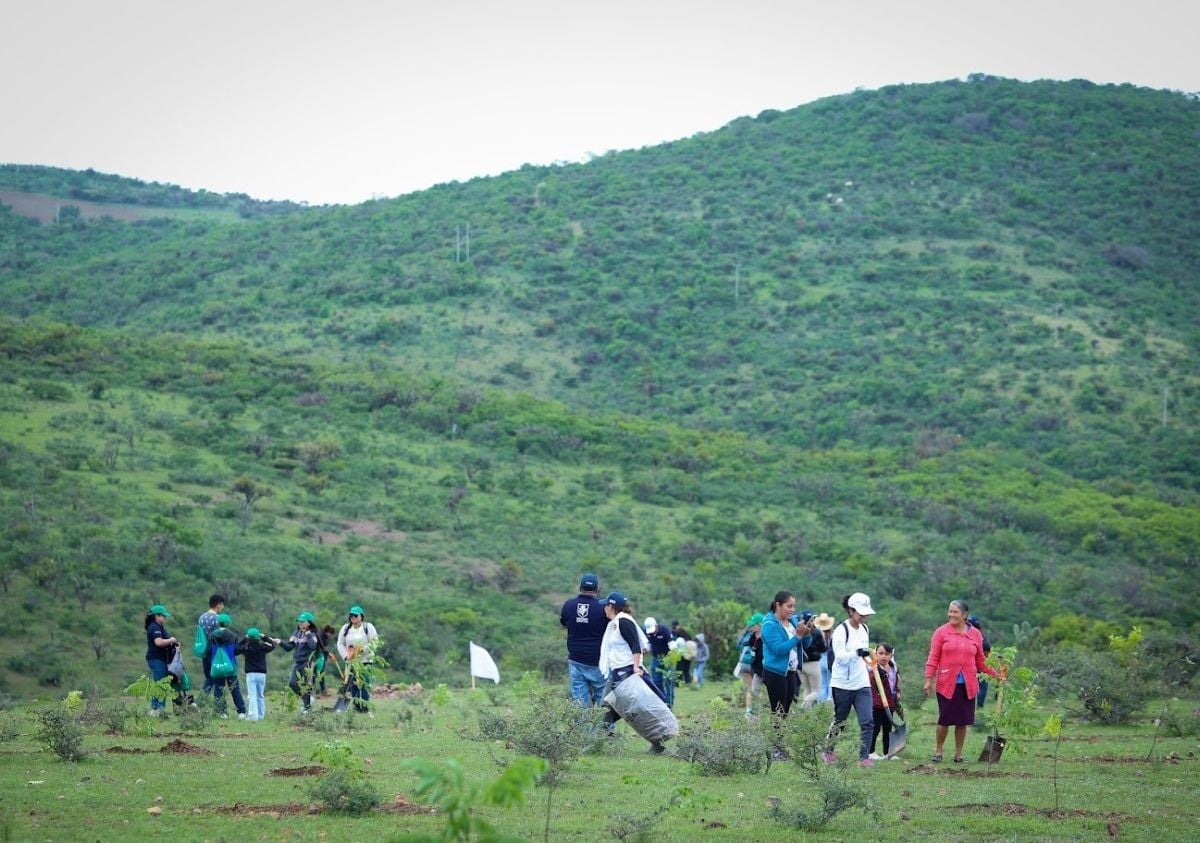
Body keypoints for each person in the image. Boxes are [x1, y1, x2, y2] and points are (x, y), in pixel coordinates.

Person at [923, 599, 999, 763]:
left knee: (962, 721)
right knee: (944, 720)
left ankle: (958, 754)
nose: (951, 615)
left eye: (955, 612)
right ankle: (938, 751)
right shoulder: (941, 632)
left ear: (964, 615)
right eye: (949, 611)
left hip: (968, 685)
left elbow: (981, 661)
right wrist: (928, 679)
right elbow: (933, 657)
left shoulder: (976, 634)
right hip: (946, 684)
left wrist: (996, 674)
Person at [598, 592, 661, 753]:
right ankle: (604, 739)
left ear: (611, 607)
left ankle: (657, 742)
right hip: (617, 672)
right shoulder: (617, 622)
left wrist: (635, 667)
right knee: (609, 707)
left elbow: (635, 645)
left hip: (626, 672)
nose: (604, 608)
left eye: (606, 605)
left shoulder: (624, 622)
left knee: (630, 709)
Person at [823, 592, 878, 768]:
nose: (864, 617)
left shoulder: (865, 629)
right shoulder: (841, 631)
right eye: (861, 614)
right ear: (851, 611)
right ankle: (828, 751)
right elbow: (839, 658)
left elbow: (864, 656)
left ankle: (863, 757)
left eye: (866, 614)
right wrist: (856, 653)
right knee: (840, 720)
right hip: (842, 684)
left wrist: (870, 663)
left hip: (861, 682)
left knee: (867, 720)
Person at [760, 592, 812, 721]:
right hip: (775, 672)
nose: (792, 610)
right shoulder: (769, 625)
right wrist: (798, 636)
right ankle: (776, 740)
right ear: (778, 605)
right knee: (778, 711)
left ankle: (781, 740)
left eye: (793, 606)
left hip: (790, 672)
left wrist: (806, 634)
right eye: (789, 606)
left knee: (786, 711)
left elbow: (804, 645)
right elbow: (778, 650)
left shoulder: (793, 620)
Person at [559, 573, 608, 706]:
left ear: (580, 587)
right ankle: (605, 727)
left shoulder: (569, 605)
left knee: (579, 700)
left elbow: (563, 624)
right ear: (597, 588)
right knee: (602, 698)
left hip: (576, 659)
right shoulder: (603, 608)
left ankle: (581, 727)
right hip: (597, 660)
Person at [336, 605, 380, 715]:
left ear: (361, 616)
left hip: (365, 660)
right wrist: (346, 656)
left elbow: (374, 642)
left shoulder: (368, 627)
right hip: (351, 661)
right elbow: (340, 643)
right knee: (353, 685)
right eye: (351, 615)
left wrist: (361, 650)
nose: (353, 617)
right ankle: (356, 707)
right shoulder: (346, 628)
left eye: (356, 615)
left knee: (364, 684)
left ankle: (364, 708)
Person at [280, 611, 323, 713]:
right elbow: (289, 647)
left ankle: (307, 708)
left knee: (307, 686)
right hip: (297, 662)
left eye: (302, 622)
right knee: (292, 683)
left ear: (309, 623)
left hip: (307, 663)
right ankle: (307, 701)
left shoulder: (312, 634)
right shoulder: (297, 633)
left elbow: (313, 646)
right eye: (299, 622)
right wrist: (280, 642)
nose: (300, 624)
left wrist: (307, 635)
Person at [208, 612, 247, 719]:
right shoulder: (233, 636)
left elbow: (208, 651)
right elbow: (236, 651)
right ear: (228, 623)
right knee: (235, 689)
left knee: (218, 689)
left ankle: (221, 713)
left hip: (217, 667)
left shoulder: (211, 636)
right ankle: (241, 712)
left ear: (217, 623)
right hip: (231, 667)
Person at [236, 627, 277, 721]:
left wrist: (244, 639)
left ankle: (253, 716)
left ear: (248, 638)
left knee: (252, 696)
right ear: (258, 638)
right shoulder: (262, 647)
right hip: (262, 674)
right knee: (260, 695)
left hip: (251, 674)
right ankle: (261, 716)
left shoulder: (246, 648)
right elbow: (272, 645)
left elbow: (236, 649)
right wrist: (264, 637)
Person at [868, 643, 901, 760]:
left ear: (891, 655)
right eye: (881, 653)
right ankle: (870, 752)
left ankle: (888, 753)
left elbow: (894, 683)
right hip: (877, 703)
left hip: (889, 703)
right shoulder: (873, 668)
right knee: (875, 727)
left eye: (887, 654)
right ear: (875, 654)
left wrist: (897, 692)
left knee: (888, 728)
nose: (884, 657)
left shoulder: (893, 668)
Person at [145, 604, 179, 715]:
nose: (165, 618)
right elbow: (158, 642)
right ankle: (155, 709)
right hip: (157, 659)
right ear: (157, 616)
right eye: (163, 616)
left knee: (163, 684)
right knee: (160, 684)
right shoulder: (154, 627)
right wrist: (171, 640)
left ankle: (160, 709)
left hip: (162, 659)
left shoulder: (159, 627)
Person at [734, 612, 765, 717]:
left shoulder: (766, 636)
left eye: (753, 625)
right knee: (754, 690)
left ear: (759, 625)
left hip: (767, 669)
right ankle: (753, 714)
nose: (750, 627)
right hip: (756, 669)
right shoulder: (752, 636)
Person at [644, 617, 675, 708]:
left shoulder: (665, 630)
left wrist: (673, 656)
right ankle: (662, 701)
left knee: (668, 680)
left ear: (656, 625)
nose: (652, 632)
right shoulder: (647, 633)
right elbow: (648, 645)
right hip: (656, 658)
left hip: (667, 658)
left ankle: (669, 702)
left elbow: (672, 645)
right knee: (656, 681)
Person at [798, 609, 826, 708]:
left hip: (801, 664)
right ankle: (803, 707)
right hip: (813, 664)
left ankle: (806, 714)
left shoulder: (798, 630)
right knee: (816, 691)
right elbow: (823, 648)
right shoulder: (816, 632)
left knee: (807, 690)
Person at [197, 593, 225, 694]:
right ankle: (219, 707)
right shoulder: (218, 618)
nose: (222, 607)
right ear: (218, 605)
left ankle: (201, 702)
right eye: (222, 604)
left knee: (209, 678)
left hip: (205, 651)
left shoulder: (201, 618)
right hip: (216, 652)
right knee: (219, 680)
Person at [967, 615, 992, 710]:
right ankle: (979, 706)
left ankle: (973, 706)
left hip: (970, 665)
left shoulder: (966, 633)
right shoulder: (981, 635)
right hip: (980, 665)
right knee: (982, 686)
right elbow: (987, 648)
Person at [813, 612, 835, 702]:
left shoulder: (818, 634)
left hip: (820, 661)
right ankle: (829, 700)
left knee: (822, 684)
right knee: (830, 682)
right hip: (830, 661)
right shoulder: (833, 635)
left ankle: (821, 703)